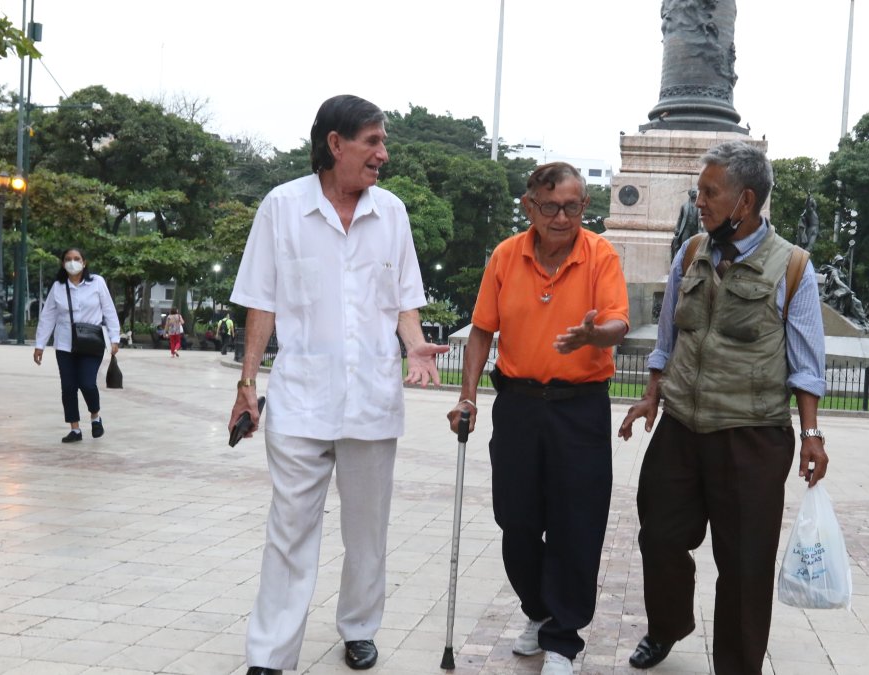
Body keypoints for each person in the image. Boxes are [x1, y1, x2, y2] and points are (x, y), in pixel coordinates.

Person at [228, 94, 449, 675]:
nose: (383, 153)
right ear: (335, 144)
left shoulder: (392, 213)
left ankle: (358, 627)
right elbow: (260, 303)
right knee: (290, 530)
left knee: (366, 531)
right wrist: (247, 383)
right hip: (301, 399)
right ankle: (270, 655)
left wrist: (415, 343)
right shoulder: (282, 208)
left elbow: (403, 300)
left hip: (373, 400)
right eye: (372, 141)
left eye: (382, 142)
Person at [618, 141, 828, 675]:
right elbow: (667, 336)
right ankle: (667, 626)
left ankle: (736, 667)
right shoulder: (691, 253)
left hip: (752, 436)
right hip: (682, 428)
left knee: (744, 564)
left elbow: (806, 363)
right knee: (660, 536)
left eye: (711, 192)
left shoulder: (793, 268)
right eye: (699, 190)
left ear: (746, 200)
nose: (700, 200)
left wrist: (811, 435)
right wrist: (650, 394)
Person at [446, 162, 629, 675]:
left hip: (580, 407)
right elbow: (482, 330)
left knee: (577, 521)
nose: (562, 217)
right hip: (520, 405)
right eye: (550, 207)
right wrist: (468, 398)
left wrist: (596, 336)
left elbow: (617, 320)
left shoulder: (600, 254)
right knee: (516, 518)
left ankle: (564, 637)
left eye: (572, 207)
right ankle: (541, 608)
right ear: (529, 206)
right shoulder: (507, 256)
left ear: (584, 208)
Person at [33, 247, 121, 443]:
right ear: (63, 263)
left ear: (84, 262)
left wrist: (115, 338)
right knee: (68, 387)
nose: (72, 262)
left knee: (87, 383)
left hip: (92, 342)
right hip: (65, 344)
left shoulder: (97, 283)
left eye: (76, 258)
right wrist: (40, 345)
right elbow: (48, 316)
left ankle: (95, 417)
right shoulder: (58, 287)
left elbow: (109, 311)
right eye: (68, 259)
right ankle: (75, 429)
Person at [670, 187, 700, 261]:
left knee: (695, 246)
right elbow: (680, 218)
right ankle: (682, 261)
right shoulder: (684, 206)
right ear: (689, 194)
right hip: (686, 228)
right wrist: (677, 228)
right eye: (693, 192)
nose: (695, 193)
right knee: (684, 245)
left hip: (695, 229)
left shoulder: (700, 206)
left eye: (695, 192)